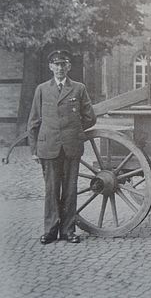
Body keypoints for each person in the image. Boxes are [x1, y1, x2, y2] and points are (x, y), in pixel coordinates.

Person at [28, 50, 96, 244]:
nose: (59, 68)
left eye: (63, 64)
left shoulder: (78, 88)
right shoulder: (41, 89)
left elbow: (90, 117)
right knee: (51, 190)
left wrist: (75, 131)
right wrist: (34, 150)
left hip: (71, 147)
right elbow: (33, 121)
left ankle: (68, 231)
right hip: (48, 147)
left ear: (69, 67)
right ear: (50, 67)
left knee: (70, 190)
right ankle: (50, 231)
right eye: (56, 65)